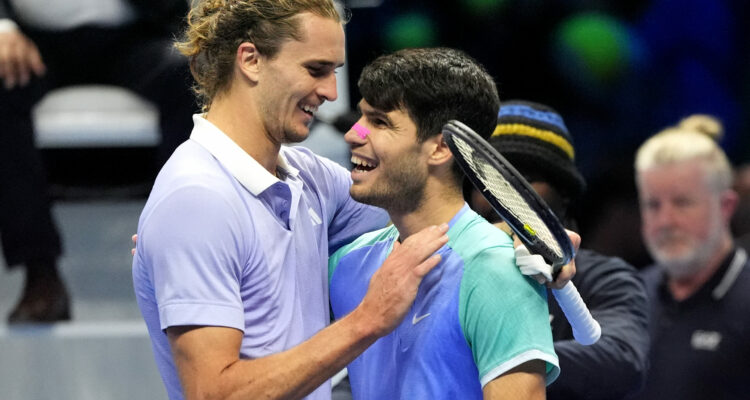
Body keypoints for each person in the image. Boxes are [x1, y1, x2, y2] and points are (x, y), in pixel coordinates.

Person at [132, 1, 454, 399]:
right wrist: (369, 319)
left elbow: (431, 215)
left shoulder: (309, 178)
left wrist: (509, 234)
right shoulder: (197, 201)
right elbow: (214, 394)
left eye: (333, 72)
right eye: (316, 70)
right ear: (250, 60)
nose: (331, 93)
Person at [328, 49, 566, 399]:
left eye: (379, 122)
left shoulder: (498, 271)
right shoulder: (346, 262)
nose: (353, 133)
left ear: (440, 148)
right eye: (362, 117)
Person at [0, 0, 195, 323]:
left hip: (134, 36)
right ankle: (40, 273)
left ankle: (181, 267)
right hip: (32, 40)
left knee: (190, 74)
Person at [467, 100, 650, 399]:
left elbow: (623, 359)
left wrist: (501, 359)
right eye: (489, 178)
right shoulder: (445, 266)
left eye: (525, 178)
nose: (506, 192)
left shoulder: (604, 278)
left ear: (562, 194)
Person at [632, 114, 750, 400]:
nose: (665, 220)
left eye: (683, 202)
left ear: (726, 205)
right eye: (653, 204)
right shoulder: (629, 296)